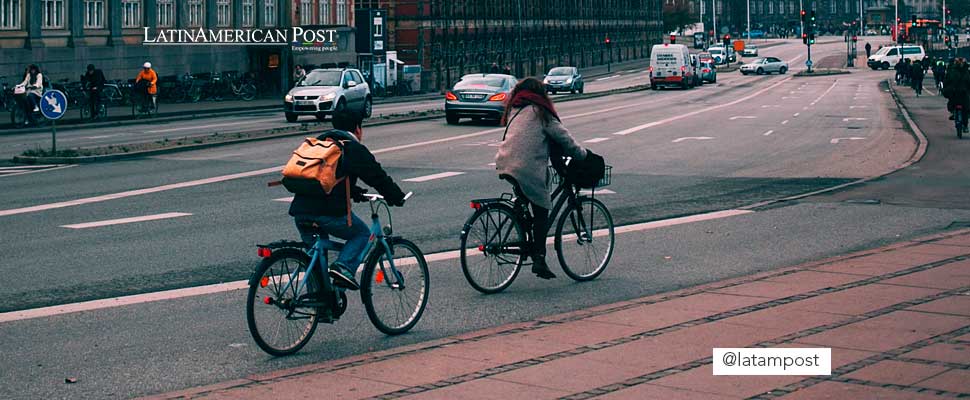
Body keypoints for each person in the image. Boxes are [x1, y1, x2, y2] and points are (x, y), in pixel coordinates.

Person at [289, 109, 406, 290]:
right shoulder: (351, 147)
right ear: (358, 128)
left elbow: (328, 179)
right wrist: (396, 196)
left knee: (315, 260)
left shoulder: (320, 142)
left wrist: (354, 192)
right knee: (361, 235)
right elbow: (377, 176)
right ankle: (343, 268)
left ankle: (318, 304)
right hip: (328, 213)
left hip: (300, 211)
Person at [495, 78, 589, 280]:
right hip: (526, 167)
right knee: (542, 210)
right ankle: (538, 257)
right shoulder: (541, 111)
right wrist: (583, 155)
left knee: (527, 204)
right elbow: (564, 138)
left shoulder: (516, 109)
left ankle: (527, 239)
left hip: (506, 163)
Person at [943, 58, 970, 129]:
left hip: (954, 92)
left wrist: (945, 89)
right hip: (963, 93)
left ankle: (953, 113)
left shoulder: (952, 71)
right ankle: (965, 125)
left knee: (952, 102)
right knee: (966, 109)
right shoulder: (967, 71)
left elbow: (946, 81)